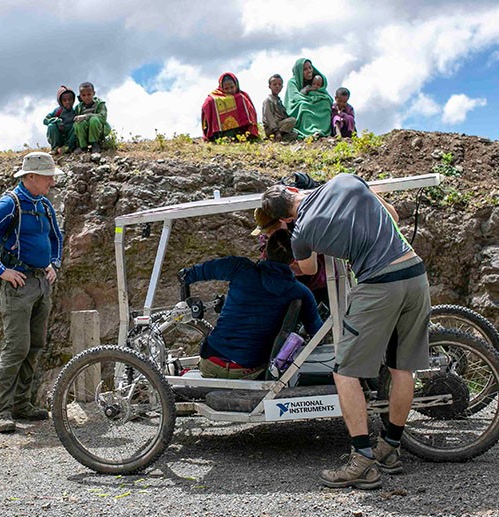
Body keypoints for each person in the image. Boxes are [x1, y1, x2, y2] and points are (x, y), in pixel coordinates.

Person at [261, 173, 430, 489]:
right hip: (415, 274)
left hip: (380, 284)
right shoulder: (345, 181)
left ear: (284, 218)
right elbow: (391, 216)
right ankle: (389, 449)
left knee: (345, 372)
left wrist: (288, 248)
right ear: (296, 189)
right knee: (401, 368)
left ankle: (363, 461)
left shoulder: (302, 233)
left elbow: (308, 269)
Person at [0, 152, 64, 433]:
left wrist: (54, 264)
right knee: (16, 347)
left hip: (40, 283)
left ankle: (23, 404)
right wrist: (2, 271)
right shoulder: (9, 204)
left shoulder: (43, 204)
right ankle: (2, 411)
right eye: (48, 176)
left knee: (35, 345)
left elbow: (56, 238)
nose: (52, 180)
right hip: (17, 284)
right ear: (30, 177)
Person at [179, 229, 323, 379]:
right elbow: (316, 331)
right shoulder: (301, 292)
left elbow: (198, 272)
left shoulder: (240, 268)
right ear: (294, 260)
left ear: (264, 251)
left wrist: (186, 276)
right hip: (248, 371)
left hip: (211, 363)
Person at [252, 207, 329, 307]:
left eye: (275, 228)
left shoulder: (303, 229)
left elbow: (310, 269)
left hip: (320, 284)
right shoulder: (266, 241)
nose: (273, 234)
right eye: (268, 231)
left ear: (284, 219)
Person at [201, 72, 259, 142]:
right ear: (221, 87)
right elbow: (206, 105)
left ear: (236, 85)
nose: (230, 91)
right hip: (221, 134)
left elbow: (252, 113)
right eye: (226, 88)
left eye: (232, 87)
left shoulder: (243, 96)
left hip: (241, 132)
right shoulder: (214, 98)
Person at [284, 58, 333, 138]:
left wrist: (315, 97)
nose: (309, 71)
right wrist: (308, 96)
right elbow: (294, 97)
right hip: (300, 104)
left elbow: (323, 93)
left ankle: (322, 130)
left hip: (313, 102)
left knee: (325, 102)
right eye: (305, 69)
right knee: (303, 106)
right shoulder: (292, 82)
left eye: (310, 68)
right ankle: (309, 131)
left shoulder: (314, 80)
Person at [73, 82, 111, 154]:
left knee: (94, 120)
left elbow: (102, 117)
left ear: (93, 93)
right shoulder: (78, 108)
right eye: (83, 95)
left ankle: (95, 144)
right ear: (80, 96)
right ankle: (82, 146)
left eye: (89, 94)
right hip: (85, 132)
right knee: (78, 123)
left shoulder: (100, 104)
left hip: (98, 131)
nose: (86, 97)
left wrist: (86, 116)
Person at [262, 74, 298, 142]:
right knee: (292, 120)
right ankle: (276, 136)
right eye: (274, 84)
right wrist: (276, 132)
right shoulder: (268, 101)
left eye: (279, 84)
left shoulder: (279, 101)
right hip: (271, 128)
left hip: (280, 125)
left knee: (295, 134)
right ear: (270, 86)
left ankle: (280, 137)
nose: (277, 86)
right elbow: (270, 118)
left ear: (282, 86)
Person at [43, 85, 77, 155]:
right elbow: (45, 120)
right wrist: (56, 120)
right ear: (60, 102)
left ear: (73, 100)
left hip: (70, 138)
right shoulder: (58, 111)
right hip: (60, 137)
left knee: (77, 125)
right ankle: (55, 148)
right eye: (64, 100)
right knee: (51, 126)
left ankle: (67, 148)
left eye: (70, 99)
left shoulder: (76, 111)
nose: (67, 102)